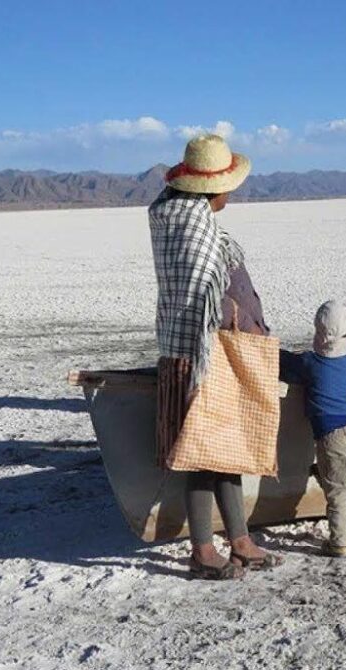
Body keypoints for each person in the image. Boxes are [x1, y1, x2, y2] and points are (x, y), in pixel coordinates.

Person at [149, 133, 283, 579]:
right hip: (200, 353)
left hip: (192, 349)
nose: (231, 192)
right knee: (204, 453)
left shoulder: (175, 217)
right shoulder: (195, 226)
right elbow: (211, 297)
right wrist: (249, 326)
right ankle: (204, 550)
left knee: (226, 446)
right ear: (211, 188)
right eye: (228, 184)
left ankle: (240, 539)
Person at [280, 301, 346, 557]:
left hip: (330, 435)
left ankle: (339, 542)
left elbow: (286, 362)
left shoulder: (310, 363)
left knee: (337, 490)